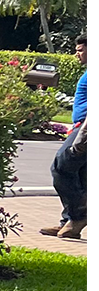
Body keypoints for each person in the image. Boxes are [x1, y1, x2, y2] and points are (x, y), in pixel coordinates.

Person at [42, 35, 87, 240]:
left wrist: (82, 134)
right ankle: (70, 223)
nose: (76, 54)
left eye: (80, 50)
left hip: (85, 127)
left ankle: (78, 216)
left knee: (61, 166)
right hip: (80, 125)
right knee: (81, 176)